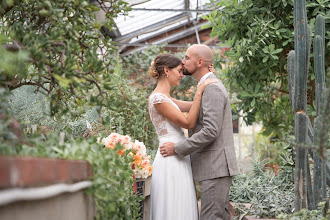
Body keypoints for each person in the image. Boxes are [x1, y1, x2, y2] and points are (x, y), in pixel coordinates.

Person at [160, 44, 239, 220]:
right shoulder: (206, 87)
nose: (183, 61)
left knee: (212, 217)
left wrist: (178, 148)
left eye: (187, 57)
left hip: (216, 166)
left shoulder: (212, 88)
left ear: (200, 62)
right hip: (213, 167)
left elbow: (210, 131)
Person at [148, 53, 217, 220]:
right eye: (179, 71)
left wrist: (209, 80)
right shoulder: (158, 99)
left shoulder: (166, 98)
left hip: (178, 155)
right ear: (166, 70)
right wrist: (199, 90)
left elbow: (195, 106)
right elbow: (188, 123)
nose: (181, 74)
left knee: (181, 204)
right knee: (173, 206)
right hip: (170, 159)